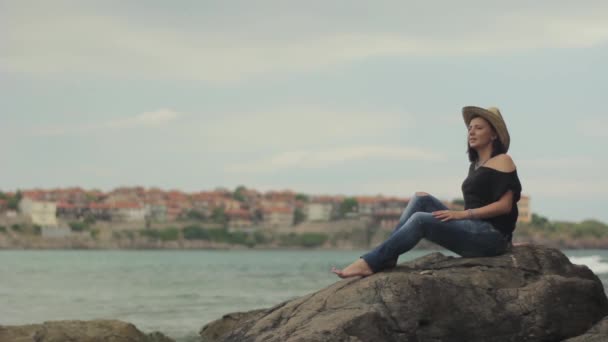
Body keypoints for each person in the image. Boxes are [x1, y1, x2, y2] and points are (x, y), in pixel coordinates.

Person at [332, 106, 522, 278]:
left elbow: (505, 207)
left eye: (479, 128)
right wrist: (462, 218)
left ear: (494, 135)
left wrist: (461, 215)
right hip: (474, 228)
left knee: (421, 219)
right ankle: (388, 257)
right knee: (420, 198)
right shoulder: (476, 166)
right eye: (470, 128)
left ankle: (370, 262)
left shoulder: (503, 160)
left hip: (491, 237)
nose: (471, 132)